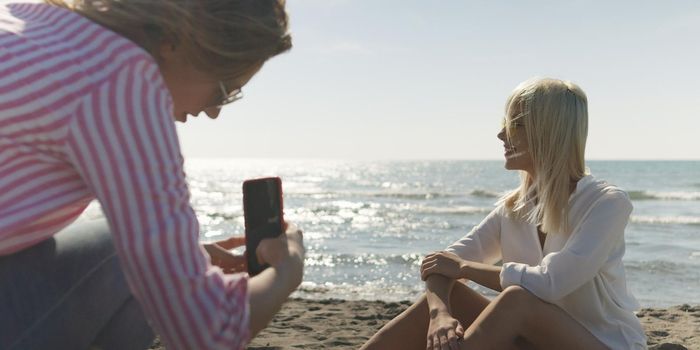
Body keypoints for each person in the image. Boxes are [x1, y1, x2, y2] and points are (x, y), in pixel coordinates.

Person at [0, 1, 305, 349]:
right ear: (174, 39)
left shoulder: (30, 17)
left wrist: (180, 257)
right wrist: (287, 272)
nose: (215, 112)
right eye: (225, 88)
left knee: (119, 249)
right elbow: (207, 333)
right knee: (120, 258)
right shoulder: (119, 80)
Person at [361, 78, 647, 350]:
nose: (501, 134)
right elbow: (441, 263)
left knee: (517, 300)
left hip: (604, 342)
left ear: (550, 131)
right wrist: (440, 313)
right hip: (534, 341)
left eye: (517, 124)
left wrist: (463, 269)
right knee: (455, 295)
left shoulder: (607, 203)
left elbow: (550, 284)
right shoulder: (513, 208)